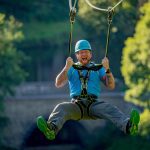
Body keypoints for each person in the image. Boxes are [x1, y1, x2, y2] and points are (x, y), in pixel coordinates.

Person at [36, 39, 140, 140]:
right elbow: (58, 83)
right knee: (61, 107)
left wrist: (107, 69)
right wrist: (66, 68)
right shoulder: (71, 68)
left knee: (110, 108)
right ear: (77, 55)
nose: (83, 54)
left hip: (93, 105)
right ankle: (51, 129)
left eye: (86, 52)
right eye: (80, 52)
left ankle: (129, 126)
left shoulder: (98, 69)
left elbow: (111, 85)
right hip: (76, 106)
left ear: (90, 54)